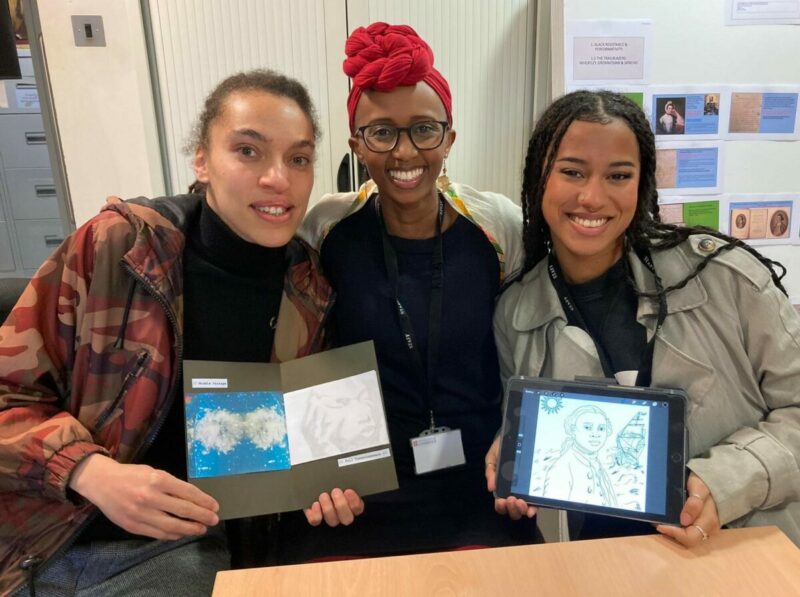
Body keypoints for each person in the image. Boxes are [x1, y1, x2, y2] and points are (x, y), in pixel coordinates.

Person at [0, 69, 334, 596]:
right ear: (201, 160)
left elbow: (290, 452)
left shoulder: (309, 292)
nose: (278, 178)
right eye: (248, 151)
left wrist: (324, 483)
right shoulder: (119, 250)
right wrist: (89, 471)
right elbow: (7, 394)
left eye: (299, 158)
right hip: (48, 544)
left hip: (190, 555)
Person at [486, 89, 800, 547]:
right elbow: (538, 423)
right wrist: (512, 445)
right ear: (539, 180)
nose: (592, 196)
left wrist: (727, 480)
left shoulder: (727, 280)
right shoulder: (515, 313)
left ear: (642, 184)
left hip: (733, 554)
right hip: (601, 564)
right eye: (572, 172)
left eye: (618, 175)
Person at [288, 22, 539, 561]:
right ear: (357, 143)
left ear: (450, 136)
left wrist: (525, 444)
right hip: (362, 487)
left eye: (424, 129)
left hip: (485, 482)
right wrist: (314, 467)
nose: (405, 152)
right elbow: (301, 351)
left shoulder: (497, 228)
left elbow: (533, 346)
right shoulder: (326, 230)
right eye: (382, 133)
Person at [543, 405, 617, 507]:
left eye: (601, 428)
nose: (595, 434)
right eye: (587, 427)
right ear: (573, 430)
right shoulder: (562, 467)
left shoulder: (597, 465)